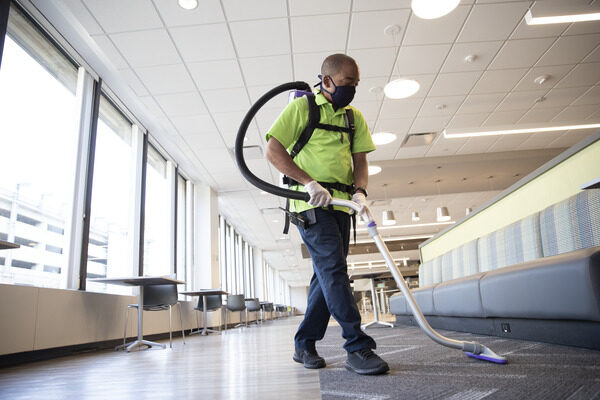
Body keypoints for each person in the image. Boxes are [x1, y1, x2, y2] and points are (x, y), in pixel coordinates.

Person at [265, 53, 389, 376]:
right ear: (328, 80)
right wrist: (308, 183)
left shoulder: (353, 118)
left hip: (342, 205)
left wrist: (360, 190)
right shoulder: (302, 108)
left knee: (327, 273)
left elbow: (360, 160)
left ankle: (304, 342)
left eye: (356, 85)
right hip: (310, 205)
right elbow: (273, 150)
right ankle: (357, 346)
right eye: (348, 83)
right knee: (333, 269)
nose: (353, 90)